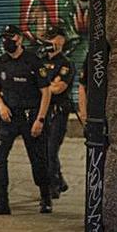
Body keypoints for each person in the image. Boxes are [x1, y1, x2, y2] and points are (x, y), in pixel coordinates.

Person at [0, 24, 54, 216]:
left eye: (11, 38)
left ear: (20, 39)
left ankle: (45, 196)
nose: (8, 41)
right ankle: (2, 200)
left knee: (38, 159)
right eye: (5, 38)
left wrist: (40, 119)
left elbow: (46, 92)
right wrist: (0, 107)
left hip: (30, 116)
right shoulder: (1, 62)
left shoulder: (33, 62)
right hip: (9, 117)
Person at [39, 25, 76, 199]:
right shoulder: (39, 60)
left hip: (58, 111)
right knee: (44, 150)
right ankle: (58, 180)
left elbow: (58, 88)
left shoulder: (65, 64)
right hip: (42, 111)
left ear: (61, 41)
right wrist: (47, 85)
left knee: (51, 150)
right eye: (48, 37)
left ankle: (53, 185)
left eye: (54, 37)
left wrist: (43, 86)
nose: (50, 41)